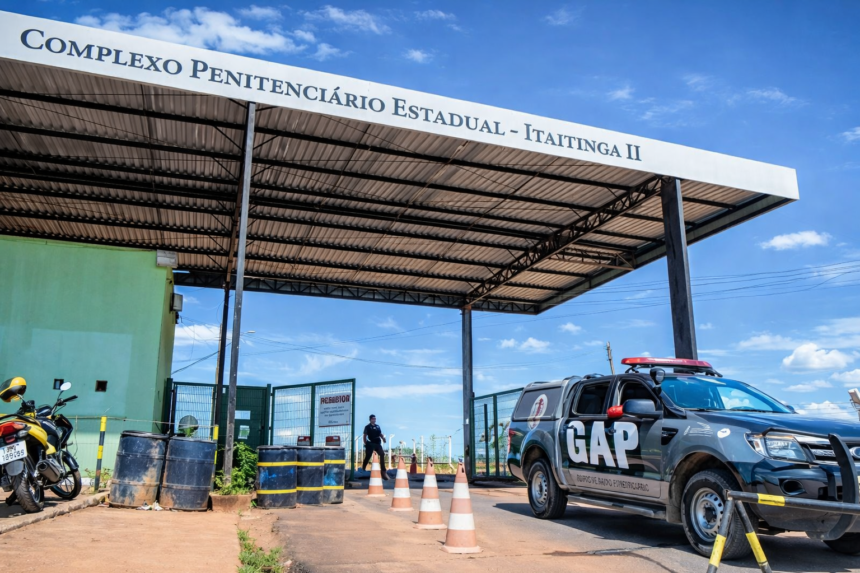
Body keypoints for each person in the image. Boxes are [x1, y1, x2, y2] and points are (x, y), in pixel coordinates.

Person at [361, 414, 389, 479]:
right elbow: (365, 435)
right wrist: (365, 443)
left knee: (382, 454)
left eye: (375, 419)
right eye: (373, 419)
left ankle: (383, 470)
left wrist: (383, 438)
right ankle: (363, 468)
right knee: (368, 456)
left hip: (377, 443)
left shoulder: (378, 426)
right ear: (370, 419)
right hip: (370, 443)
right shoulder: (367, 427)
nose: (374, 420)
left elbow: (380, 433)